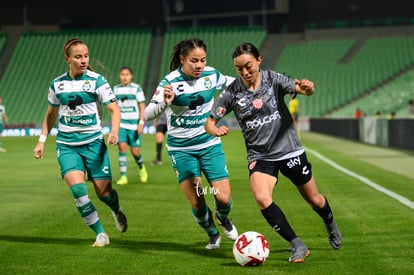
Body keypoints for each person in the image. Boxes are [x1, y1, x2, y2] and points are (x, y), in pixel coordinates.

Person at [205, 42, 342, 263]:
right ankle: (297, 245)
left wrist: (308, 88)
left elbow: (301, 90)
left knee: (315, 200)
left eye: (248, 66)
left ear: (259, 60)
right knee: (261, 197)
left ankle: (330, 223)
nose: (245, 72)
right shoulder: (232, 92)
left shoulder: (273, 79)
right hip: (260, 157)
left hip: (289, 151)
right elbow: (209, 122)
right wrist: (215, 130)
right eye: (239, 69)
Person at [144, 37, 238, 249]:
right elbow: (148, 113)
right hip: (181, 149)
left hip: (209, 144)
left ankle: (223, 218)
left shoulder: (212, 75)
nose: (199, 65)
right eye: (194, 61)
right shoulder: (169, 82)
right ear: (182, 59)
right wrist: (164, 104)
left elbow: (236, 83)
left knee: (223, 198)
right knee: (197, 200)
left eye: (202, 60)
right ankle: (212, 234)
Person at [33, 38, 128, 247]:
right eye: (78, 57)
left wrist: (113, 131)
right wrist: (41, 141)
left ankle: (115, 208)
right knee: (78, 191)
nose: (83, 60)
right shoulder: (57, 84)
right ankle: (100, 233)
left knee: (104, 193)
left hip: (94, 144)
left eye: (86, 56)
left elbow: (114, 109)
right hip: (67, 145)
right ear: (67, 59)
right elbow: (50, 115)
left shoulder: (97, 81)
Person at [113, 66, 148, 185]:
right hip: (121, 124)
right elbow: (114, 108)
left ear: (131, 76)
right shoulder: (116, 89)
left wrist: (141, 122)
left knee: (135, 152)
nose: (124, 77)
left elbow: (142, 106)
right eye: (122, 74)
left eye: (127, 74)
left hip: (134, 125)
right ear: (119, 76)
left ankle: (141, 167)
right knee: (122, 148)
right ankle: (123, 176)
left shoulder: (136, 88)